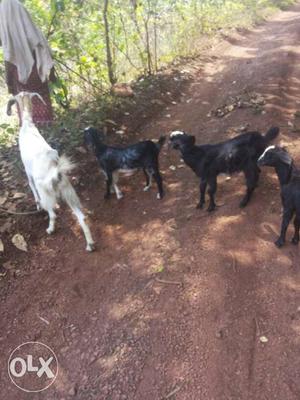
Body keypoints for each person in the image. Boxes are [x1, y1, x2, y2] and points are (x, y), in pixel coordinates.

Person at [0, 0, 55, 125]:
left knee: (27, 113)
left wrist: (9, 83)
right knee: (42, 107)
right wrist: (51, 71)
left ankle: (35, 135)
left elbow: (9, 58)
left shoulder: (4, 12)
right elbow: (39, 43)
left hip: (20, 74)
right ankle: (47, 133)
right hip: (36, 68)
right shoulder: (18, 8)